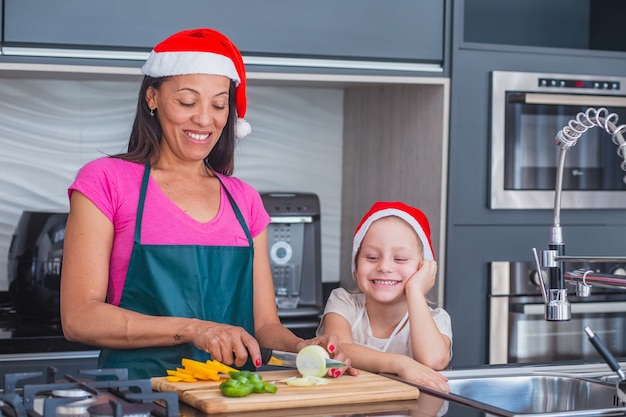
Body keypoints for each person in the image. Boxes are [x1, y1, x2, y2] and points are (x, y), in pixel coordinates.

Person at [59, 28, 356, 379]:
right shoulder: (106, 181)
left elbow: (264, 326)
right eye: (187, 102)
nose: (204, 119)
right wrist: (195, 329)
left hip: (234, 397)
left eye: (218, 105)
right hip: (138, 397)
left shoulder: (244, 200)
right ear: (152, 97)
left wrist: (302, 347)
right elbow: (79, 318)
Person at [317, 201, 452, 391]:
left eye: (400, 259)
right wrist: (399, 364)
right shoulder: (343, 302)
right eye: (372, 257)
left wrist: (415, 290)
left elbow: (433, 360)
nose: (384, 267)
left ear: (423, 268)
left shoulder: (437, 319)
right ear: (355, 266)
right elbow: (340, 350)